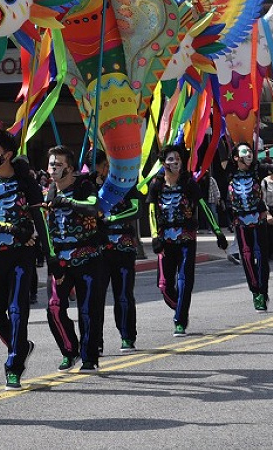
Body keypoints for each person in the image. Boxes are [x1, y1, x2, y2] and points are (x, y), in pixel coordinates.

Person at [0, 129, 47, 389]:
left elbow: (40, 220)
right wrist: (12, 229)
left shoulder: (27, 182)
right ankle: (22, 346)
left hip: (21, 254)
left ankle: (14, 365)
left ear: (8, 155)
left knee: (17, 310)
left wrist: (50, 254)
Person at [146, 144, 227, 336]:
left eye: (178, 159)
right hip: (165, 240)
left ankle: (180, 320)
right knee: (164, 286)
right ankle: (180, 308)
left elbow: (203, 206)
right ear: (163, 163)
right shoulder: (156, 185)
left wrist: (218, 232)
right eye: (170, 159)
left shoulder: (189, 183)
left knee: (184, 281)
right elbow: (151, 211)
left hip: (186, 238)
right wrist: (155, 237)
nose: (175, 163)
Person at [43, 146, 103, 372]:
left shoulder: (84, 186)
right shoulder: (49, 191)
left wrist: (69, 203)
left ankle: (89, 357)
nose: (53, 168)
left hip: (87, 256)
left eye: (58, 164)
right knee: (54, 306)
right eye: (51, 164)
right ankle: (69, 350)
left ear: (70, 168)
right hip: (59, 260)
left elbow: (93, 207)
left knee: (89, 309)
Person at [94, 152, 140, 353]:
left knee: (123, 294)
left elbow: (136, 209)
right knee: (95, 297)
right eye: (101, 166)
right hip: (98, 251)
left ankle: (127, 336)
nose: (105, 170)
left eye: (107, 165)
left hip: (124, 247)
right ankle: (95, 341)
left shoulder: (126, 183)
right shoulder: (87, 188)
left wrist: (111, 219)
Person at [228, 142, 272, 311]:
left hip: (258, 219)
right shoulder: (229, 173)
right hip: (240, 221)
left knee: (261, 256)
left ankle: (263, 290)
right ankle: (255, 291)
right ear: (236, 157)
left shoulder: (257, 171)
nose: (249, 156)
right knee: (246, 256)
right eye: (244, 152)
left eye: (250, 152)